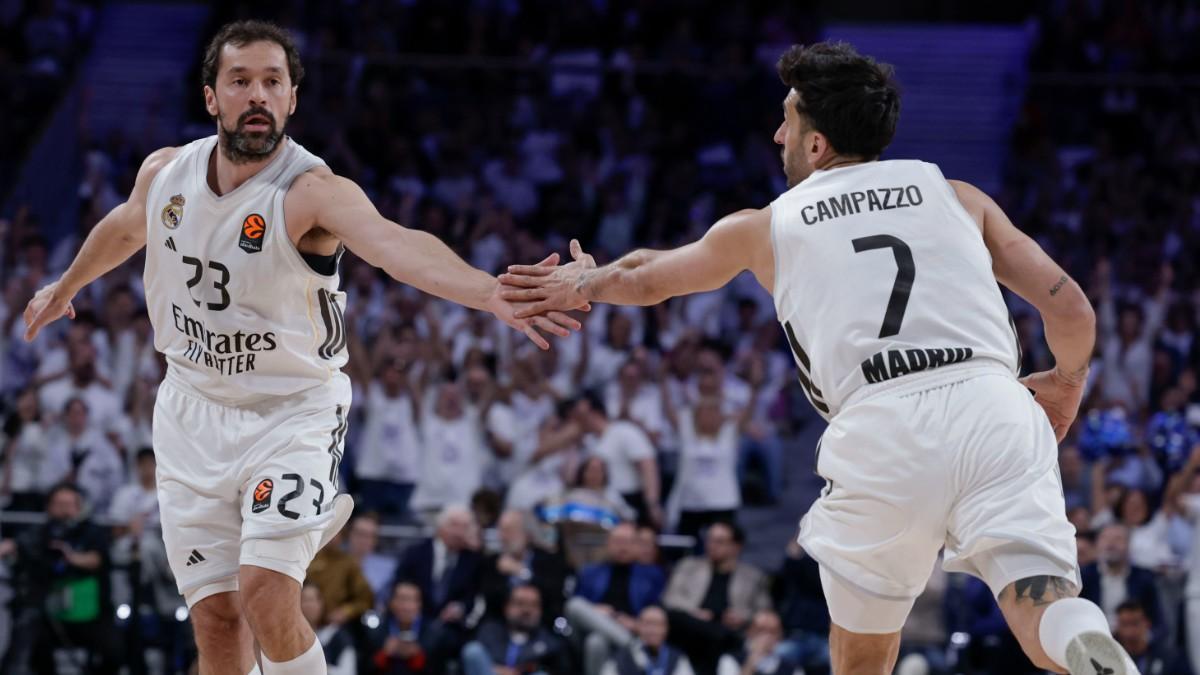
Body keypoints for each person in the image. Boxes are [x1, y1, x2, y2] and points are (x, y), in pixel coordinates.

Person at [502, 40, 1130, 674]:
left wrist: (585, 280)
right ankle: (1080, 639)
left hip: (882, 422)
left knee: (862, 656)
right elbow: (1072, 308)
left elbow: (646, 278)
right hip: (995, 404)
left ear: (816, 144)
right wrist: (1068, 380)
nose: (778, 134)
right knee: (1042, 602)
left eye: (788, 120)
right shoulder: (957, 195)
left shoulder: (766, 225)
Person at [20, 19, 579, 675]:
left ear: (290, 99)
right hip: (190, 410)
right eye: (240, 80)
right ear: (212, 97)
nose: (257, 94)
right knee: (217, 621)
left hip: (291, 411)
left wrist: (487, 291)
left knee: (264, 591)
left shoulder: (312, 190)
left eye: (272, 82)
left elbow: (396, 245)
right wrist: (67, 283)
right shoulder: (167, 172)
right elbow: (125, 225)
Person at [0, 482, 121, 673]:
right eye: (58, 504)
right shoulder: (41, 532)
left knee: (114, 651)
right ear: (49, 507)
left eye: (69, 504)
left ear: (79, 507)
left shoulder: (92, 531)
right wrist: (10, 546)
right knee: (33, 641)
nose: (64, 510)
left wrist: (71, 558)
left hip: (92, 614)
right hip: (52, 614)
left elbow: (96, 559)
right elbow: (19, 544)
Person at [661, 521, 772, 675]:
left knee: (718, 639)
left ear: (736, 546)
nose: (711, 545)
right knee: (678, 619)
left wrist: (743, 617)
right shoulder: (688, 566)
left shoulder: (752, 576)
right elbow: (670, 598)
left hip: (728, 629)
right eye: (710, 539)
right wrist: (694, 612)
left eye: (719, 541)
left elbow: (764, 611)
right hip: (691, 627)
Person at [460, 584, 571, 675]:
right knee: (473, 650)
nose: (526, 610)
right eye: (520, 603)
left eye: (533, 605)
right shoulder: (489, 631)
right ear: (506, 607)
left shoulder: (549, 641)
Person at [601, 605, 695, 675]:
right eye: (648, 624)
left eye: (658, 624)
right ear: (638, 626)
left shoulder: (676, 658)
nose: (652, 630)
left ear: (666, 629)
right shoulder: (621, 657)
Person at [300, 582, 357, 675]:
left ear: (322, 604)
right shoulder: (289, 638)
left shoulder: (338, 637)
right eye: (304, 600)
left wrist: (323, 669)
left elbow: (349, 671)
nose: (309, 605)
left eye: (312, 600)